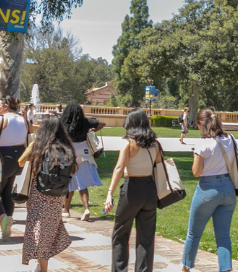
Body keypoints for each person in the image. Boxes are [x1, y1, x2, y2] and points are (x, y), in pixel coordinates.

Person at [104, 109, 163, 272]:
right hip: (150, 189)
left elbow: (119, 168)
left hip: (132, 189)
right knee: (146, 237)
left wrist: (110, 193)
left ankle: (120, 269)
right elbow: (159, 167)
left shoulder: (128, 143)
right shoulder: (155, 144)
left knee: (120, 233)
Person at [17, 114, 77, 272]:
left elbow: (20, 161)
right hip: (58, 196)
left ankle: (43, 269)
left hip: (39, 194)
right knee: (47, 230)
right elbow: (75, 168)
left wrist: (32, 144)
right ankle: (40, 265)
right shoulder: (66, 147)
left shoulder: (39, 146)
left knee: (39, 231)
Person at [180, 109, 238, 272]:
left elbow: (196, 172)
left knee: (194, 233)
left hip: (208, 188)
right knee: (223, 236)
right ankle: (225, 269)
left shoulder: (202, 143)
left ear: (201, 124)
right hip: (228, 187)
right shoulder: (230, 139)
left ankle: (186, 267)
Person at [0, 96, 31, 239]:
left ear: (5, 106)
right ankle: (6, 226)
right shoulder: (24, 121)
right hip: (18, 160)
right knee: (7, 194)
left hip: (1, 159)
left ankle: (2, 218)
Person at [61, 103, 105, 221]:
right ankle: (86, 209)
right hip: (84, 155)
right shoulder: (86, 123)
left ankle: (66, 210)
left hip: (69, 155)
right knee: (82, 184)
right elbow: (102, 123)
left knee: (68, 183)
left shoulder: (64, 125)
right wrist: (93, 129)